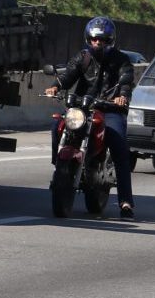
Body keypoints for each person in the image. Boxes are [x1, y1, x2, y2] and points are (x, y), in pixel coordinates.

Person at [45, 16, 136, 220]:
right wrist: (56, 87)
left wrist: (122, 96)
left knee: (120, 149)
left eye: (102, 40)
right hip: (82, 107)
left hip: (109, 109)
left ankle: (126, 201)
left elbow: (126, 82)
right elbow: (68, 75)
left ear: (110, 40)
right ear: (88, 39)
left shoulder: (121, 61)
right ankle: (59, 167)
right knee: (56, 125)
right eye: (94, 39)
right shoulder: (83, 58)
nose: (97, 43)